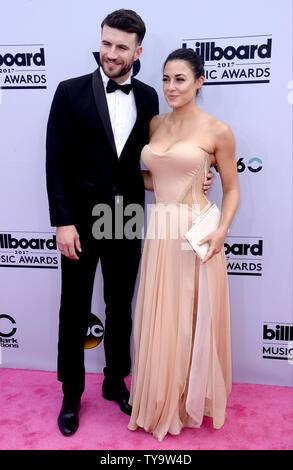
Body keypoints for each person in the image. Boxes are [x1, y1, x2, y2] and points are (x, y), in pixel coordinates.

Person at [46, 10, 213, 436]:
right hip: (81, 222)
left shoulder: (148, 97)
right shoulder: (70, 92)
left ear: (137, 51)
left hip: (126, 217)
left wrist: (198, 175)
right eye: (106, 43)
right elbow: (56, 162)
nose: (111, 53)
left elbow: (155, 162)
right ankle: (70, 393)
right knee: (75, 307)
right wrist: (63, 223)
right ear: (99, 42)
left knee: (121, 306)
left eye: (121, 47)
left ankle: (115, 381)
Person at [128, 48, 240, 441]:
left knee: (187, 317)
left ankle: (184, 401)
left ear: (199, 81)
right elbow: (153, 178)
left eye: (180, 79)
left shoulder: (217, 130)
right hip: (160, 229)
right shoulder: (155, 122)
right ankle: (159, 397)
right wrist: (185, 179)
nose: (171, 87)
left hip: (196, 233)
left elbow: (232, 188)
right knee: (160, 317)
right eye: (165, 79)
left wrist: (222, 230)